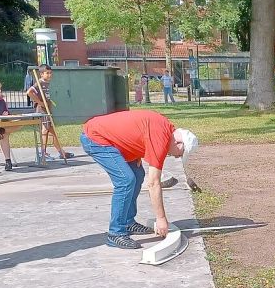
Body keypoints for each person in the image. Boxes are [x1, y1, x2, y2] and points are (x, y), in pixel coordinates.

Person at [79, 110, 198, 249]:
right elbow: (153, 183)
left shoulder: (165, 131)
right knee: (126, 180)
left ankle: (128, 222)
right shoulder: (161, 138)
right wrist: (161, 219)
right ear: (179, 143)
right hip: (96, 138)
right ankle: (115, 233)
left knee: (137, 174)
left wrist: (135, 153)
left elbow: (138, 132)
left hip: (110, 139)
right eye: (181, 154)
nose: (178, 157)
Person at [26, 64, 74, 161]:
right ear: (41, 74)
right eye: (47, 73)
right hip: (42, 110)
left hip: (48, 110)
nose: (49, 75)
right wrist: (40, 102)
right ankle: (43, 154)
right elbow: (29, 92)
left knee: (52, 132)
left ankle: (60, 152)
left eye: (50, 73)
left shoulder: (47, 83)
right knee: (46, 131)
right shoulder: (39, 83)